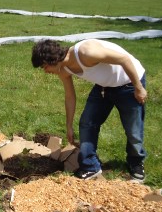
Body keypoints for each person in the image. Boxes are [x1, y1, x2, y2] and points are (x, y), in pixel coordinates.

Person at [31, 39, 148, 181]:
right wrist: (69, 126)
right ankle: (90, 166)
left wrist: (138, 87)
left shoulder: (87, 52)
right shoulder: (63, 70)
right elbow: (70, 97)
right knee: (87, 122)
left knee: (133, 130)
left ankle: (136, 163)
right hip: (104, 87)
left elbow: (124, 59)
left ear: (52, 60)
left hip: (128, 82)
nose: (45, 71)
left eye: (44, 67)